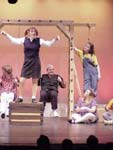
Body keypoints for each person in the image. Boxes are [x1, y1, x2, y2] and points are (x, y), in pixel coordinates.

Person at [1, 27, 60, 103]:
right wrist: (6, 35)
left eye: (34, 31)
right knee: (22, 80)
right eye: (31, 31)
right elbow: (14, 40)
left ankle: (33, 98)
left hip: (36, 62)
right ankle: (20, 97)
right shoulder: (24, 39)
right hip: (27, 62)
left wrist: (55, 40)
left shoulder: (39, 40)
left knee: (35, 81)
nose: (33, 32)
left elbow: (48, 44)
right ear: (28, 32)